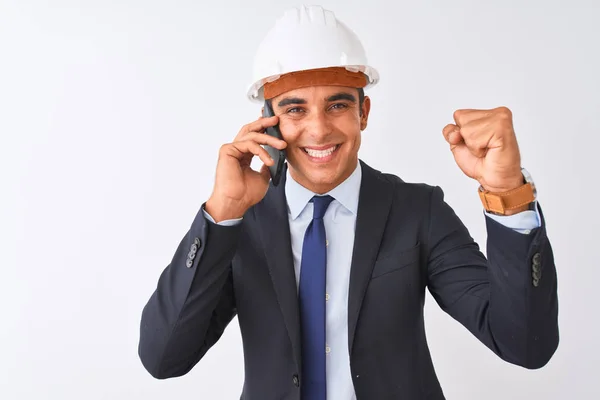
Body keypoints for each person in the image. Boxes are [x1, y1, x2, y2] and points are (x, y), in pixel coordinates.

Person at [138, 5, 559, 399]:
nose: (319, 130)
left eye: (337, 104)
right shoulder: (242, 220)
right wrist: (222, 212)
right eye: (296, 109)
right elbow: (163, 359)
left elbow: (525, 345)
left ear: (364, 113)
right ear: (268, 122)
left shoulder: (418, 210)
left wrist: (507, 194)